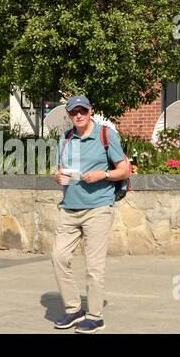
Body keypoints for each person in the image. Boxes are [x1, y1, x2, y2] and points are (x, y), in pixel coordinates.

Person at [50, 95, 130, 334]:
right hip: (69, 208)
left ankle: (95, 316)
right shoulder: (65, 138)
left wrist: (102, 175)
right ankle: (74, 310)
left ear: (90, 111)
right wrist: (58, 177)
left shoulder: (106, 135)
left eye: (82, 111)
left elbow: (124, 169)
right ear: (69, 115)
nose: (78, 115)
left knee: (94, 266)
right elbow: (59, 170)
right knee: (58, 256)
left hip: (98, 208)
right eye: (74, 112)